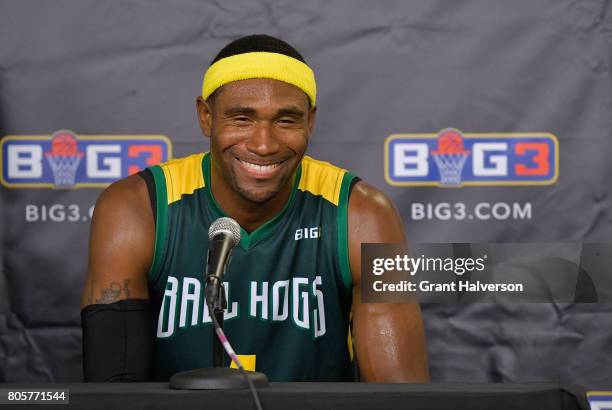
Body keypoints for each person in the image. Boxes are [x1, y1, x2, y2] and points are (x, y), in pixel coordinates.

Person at [81, 34, 429, 383]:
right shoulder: (137, 207)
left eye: (286, 120)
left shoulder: (362, 215)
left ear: (310, 121)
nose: (263, 145)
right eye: (242, 119)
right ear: (206, 117)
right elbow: (115, 389)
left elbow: (399, 393)